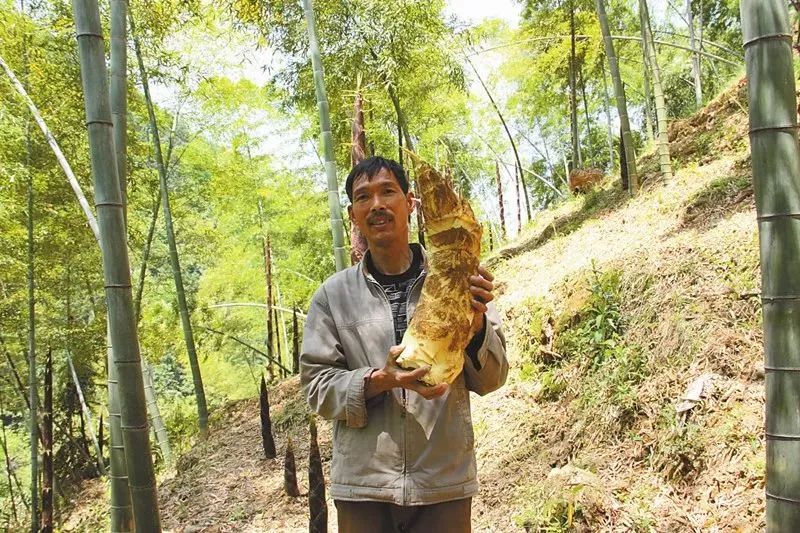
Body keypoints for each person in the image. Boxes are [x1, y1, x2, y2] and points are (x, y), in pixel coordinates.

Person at [300, 156, 508, 533]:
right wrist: (381, 379)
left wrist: (474, 325)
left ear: (410, 203)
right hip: (365, 488)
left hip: (442, 484)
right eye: (363, 197)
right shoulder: (333, 296)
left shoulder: (457, 276)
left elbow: (493, 379)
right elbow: (316, 389)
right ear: (353, 215)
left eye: (387, 192)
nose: (376, 204)